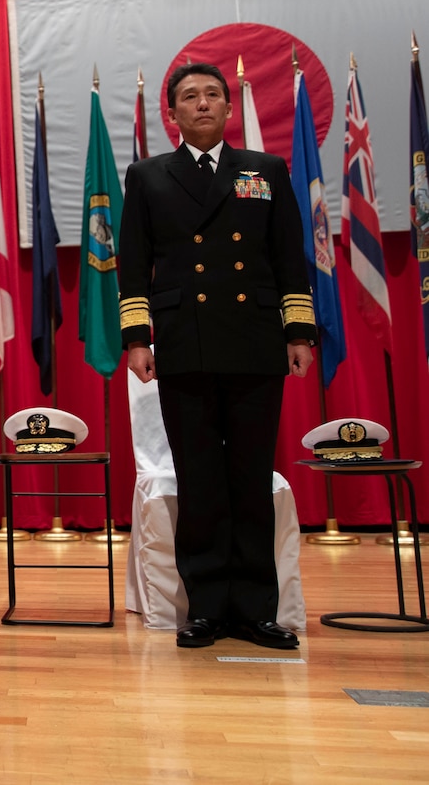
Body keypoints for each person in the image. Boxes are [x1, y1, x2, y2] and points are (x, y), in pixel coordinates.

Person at [117, 62, 316, 650]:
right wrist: (136, 338)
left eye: (212, 96)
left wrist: (298, 330)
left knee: (250, 478)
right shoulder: (148, 176)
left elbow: (288, 256)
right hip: (185, 341)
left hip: (254, 340)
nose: (202, 104)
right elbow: (134, 263)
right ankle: (205, 606)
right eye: (189, 97)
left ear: (229, 109)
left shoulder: (266, 170)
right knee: (199, 480)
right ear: (172, 113)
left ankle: (256, 609)